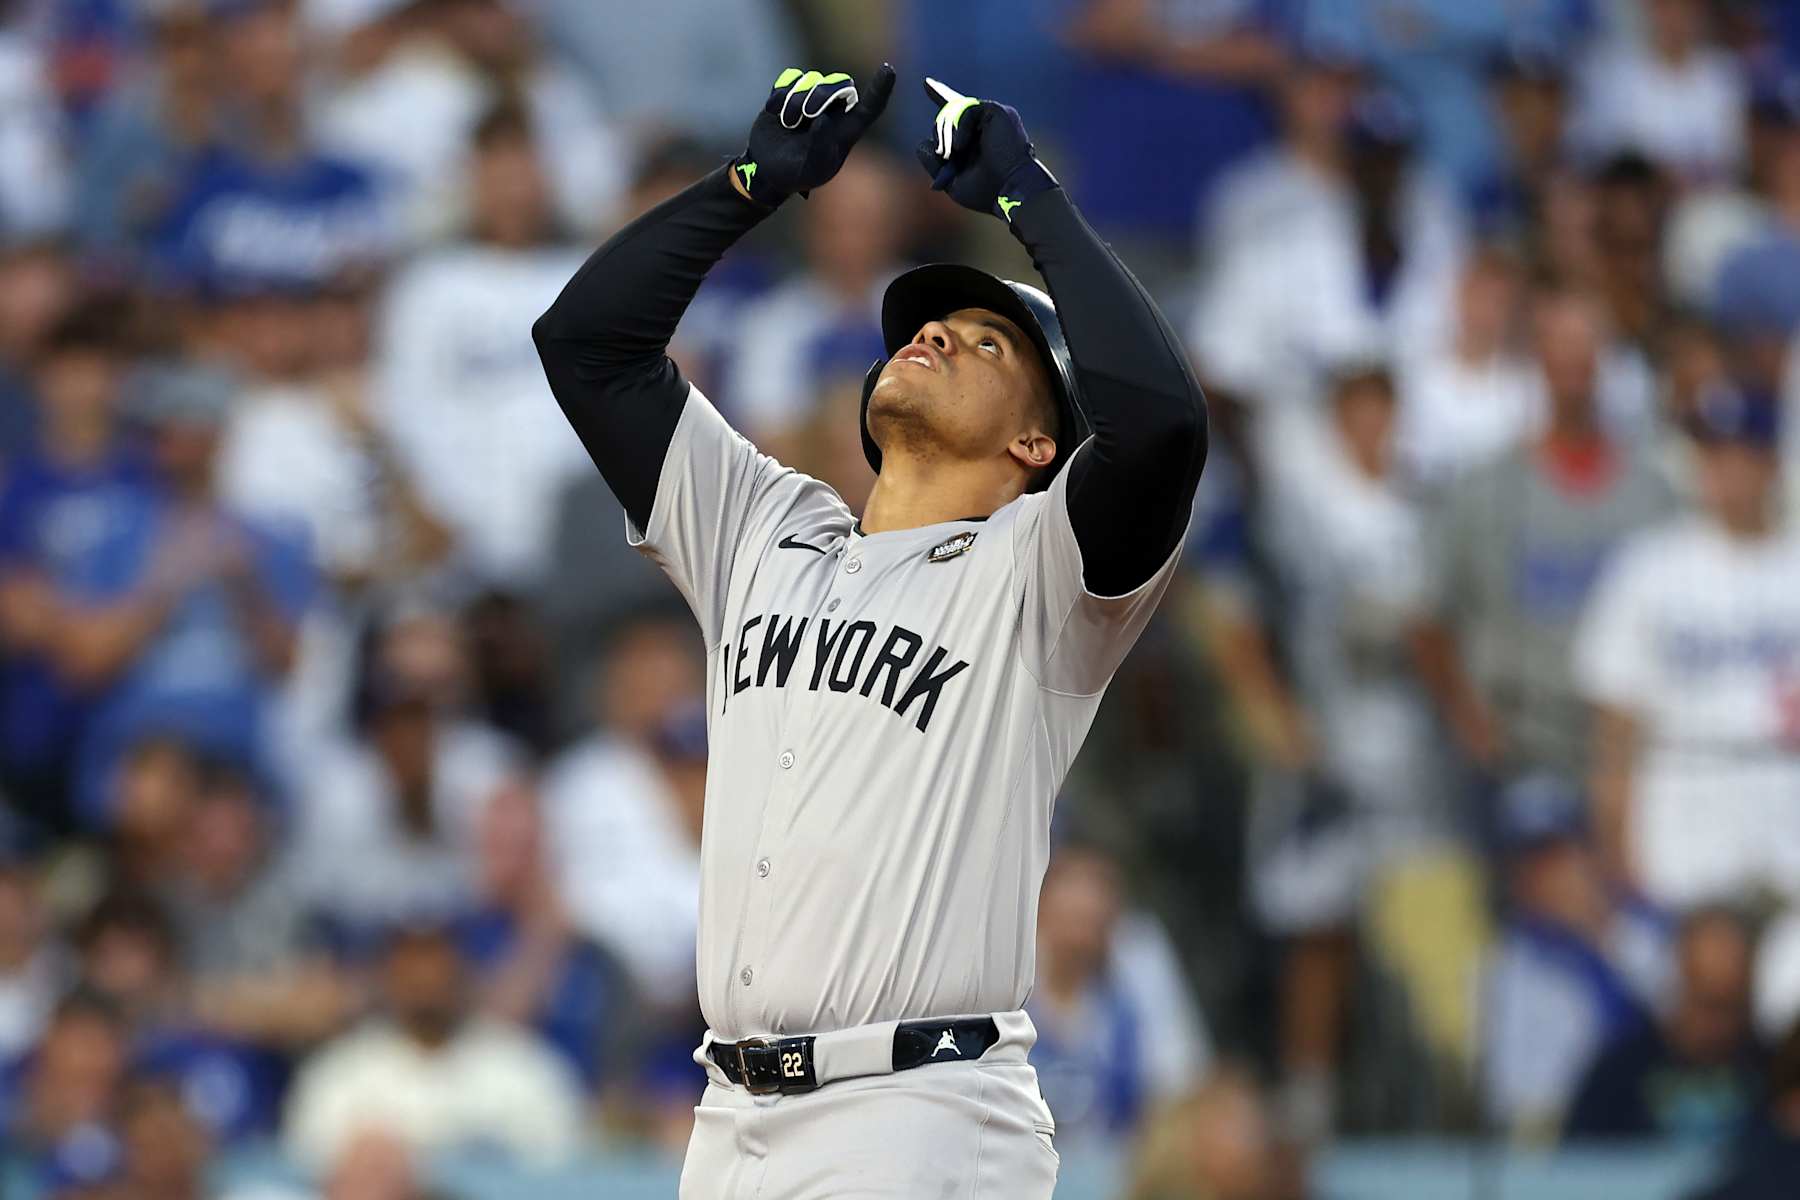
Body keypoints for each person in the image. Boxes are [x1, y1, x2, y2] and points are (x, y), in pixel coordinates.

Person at [533, 64, 1205, 1198]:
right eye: (934, 324)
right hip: (730, 1116)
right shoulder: (764, 525)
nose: (939, 334)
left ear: (1040, 448)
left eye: (988, 345)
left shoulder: (1040, 574)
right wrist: (749, 186)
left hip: (920, 1111)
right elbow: (587, 345)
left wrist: (1027, 200)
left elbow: (1162, 424)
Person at [1411, 287, 1672, 780]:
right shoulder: (1483, 488)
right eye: (1560, 344)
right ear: (1536, 357)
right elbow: (1428, 619)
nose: (1574, 361)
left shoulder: (1654, 495)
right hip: (1521, 745)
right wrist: (1467, 721)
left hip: (1629, 751)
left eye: (1586, 345)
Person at [1576, 384, 1800, 906]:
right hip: (1682, 827)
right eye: (1711, 453)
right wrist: (1616, 851)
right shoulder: (1649, 567)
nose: (1722, 469)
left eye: (1737, 452)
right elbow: (1615, 725)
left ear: (1770, 462)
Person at [282, 919, 585, 1168]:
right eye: (411, 965)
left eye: (437, 963)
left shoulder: (525, 1068)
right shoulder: (338, 1074)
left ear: (465, 972)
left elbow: (562, 1173)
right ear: (387, 976)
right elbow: (310, 1173)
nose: (426, 978)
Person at [1479, 774, 1671, 1137]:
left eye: (1558, 854)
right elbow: (1519, 1095)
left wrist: (1600, 931)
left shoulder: (1644, 929)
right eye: (1529, 860)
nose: (1546, 875)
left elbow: (1683, 1025)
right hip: (1572, 1144)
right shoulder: (1509, 963)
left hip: (1660, 1113)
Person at [1027, 841, 1209, 1152]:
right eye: (1070, 919)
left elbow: (1182, 1085)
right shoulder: (1007, 980)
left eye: (1090, 922)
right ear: (1041, 913)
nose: (1079, 939)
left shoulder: (1137, 967)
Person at [1564, 907, 1764, 1143]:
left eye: (1727, 1004)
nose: (1714, 1023)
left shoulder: (1773, 1073)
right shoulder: (1618, 1073)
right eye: (1703, 1000)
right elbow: (1577, 1163)